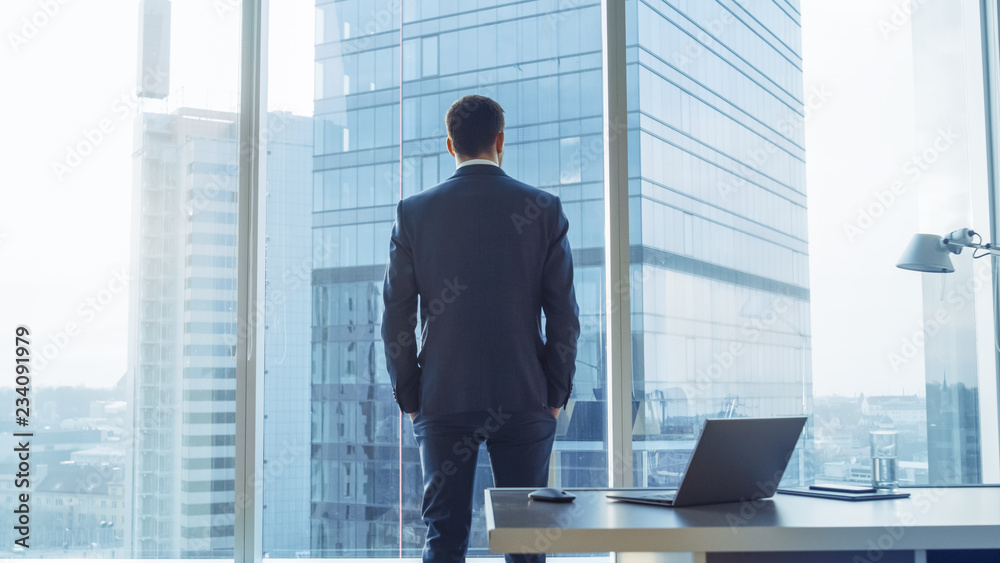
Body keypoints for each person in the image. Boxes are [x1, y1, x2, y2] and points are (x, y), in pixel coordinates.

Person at [381, 94, 580, 563]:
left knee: (444, 539)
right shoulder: (544, 209)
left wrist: (412, 396)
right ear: (500, 141)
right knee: (526, 542)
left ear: (450, 145)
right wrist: (554, 393)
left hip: (444, 394)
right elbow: (565, 315)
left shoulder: (413, 213)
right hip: (524, 394)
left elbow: (395, 316)